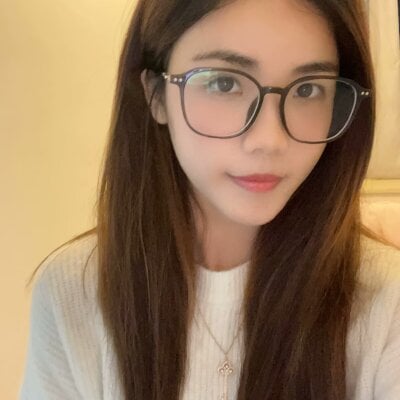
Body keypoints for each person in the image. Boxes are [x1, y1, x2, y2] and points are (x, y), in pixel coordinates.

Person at [19, 0, 400, 399]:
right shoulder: (74, 291)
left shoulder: (385, 301)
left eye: (308, 89)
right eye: (224, 84)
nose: (269, 140)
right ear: (155, 93)